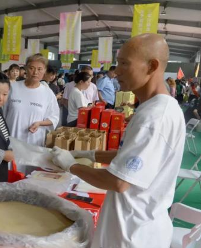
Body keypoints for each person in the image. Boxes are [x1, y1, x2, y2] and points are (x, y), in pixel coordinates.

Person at [51, 33, 185, 248]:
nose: (117, 72)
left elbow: (118, 182)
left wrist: (70, 165)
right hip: (134, 223)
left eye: (124, 63)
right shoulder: (160, 107)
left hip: (132, 233)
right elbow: (135, 158)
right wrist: (88, 154)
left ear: (151, 66)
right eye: (117, 63)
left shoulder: (153, 118)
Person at [4, 54, 59, 147]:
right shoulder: (12, 88)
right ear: (25, 69)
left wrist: (39, 123)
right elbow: (2, 112)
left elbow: (54, 118)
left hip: (34, 143)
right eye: (32, 68)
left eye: (39, 69)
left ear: (45, 70)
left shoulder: (48, 93)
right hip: (10, 141)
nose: (35, 72)